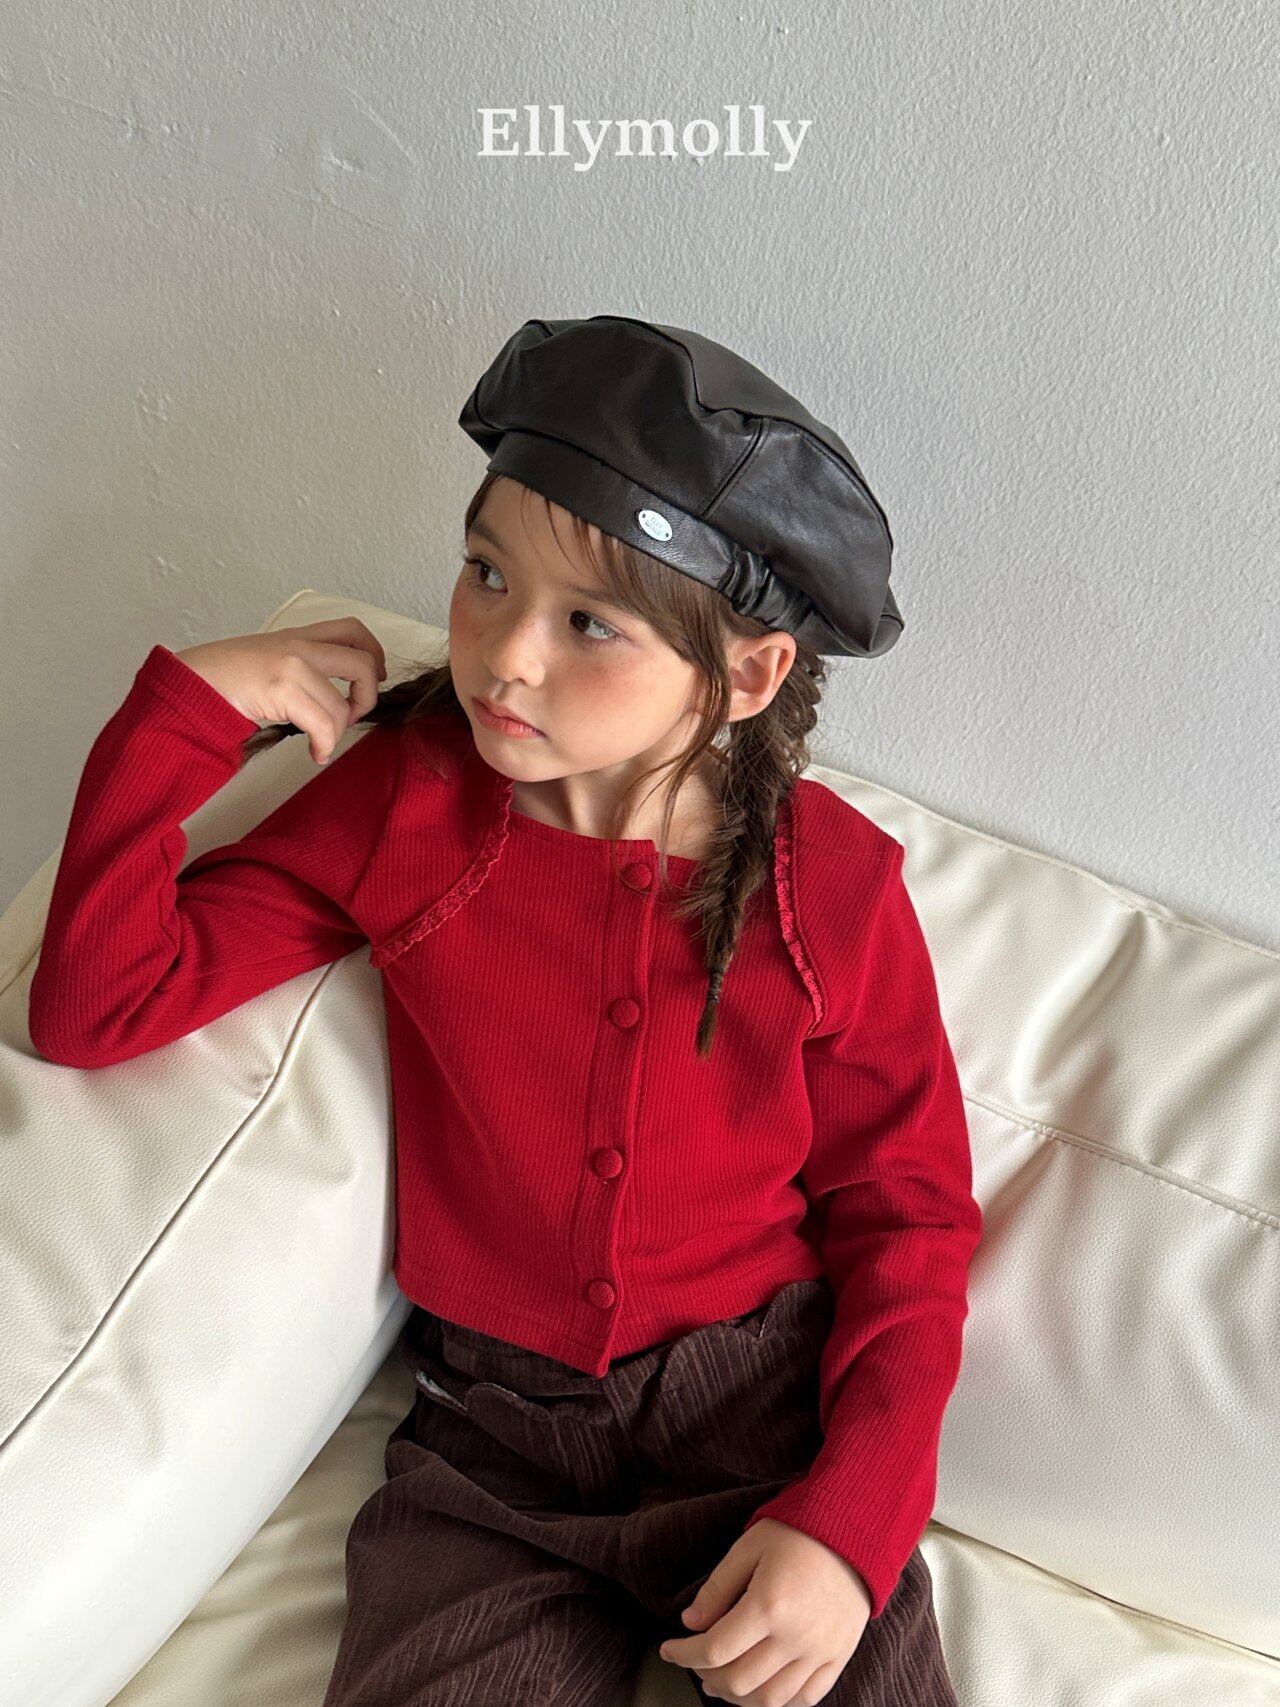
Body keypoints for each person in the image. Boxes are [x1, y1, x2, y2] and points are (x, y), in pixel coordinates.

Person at [28, 316, 982, 1706]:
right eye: (486, 573)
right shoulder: (405, 808)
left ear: (748, 675)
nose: (505, 654)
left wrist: (849, 1529)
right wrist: (186, 713)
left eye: (590, 622)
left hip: (763, 1432)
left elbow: (910, 1220)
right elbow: (99, 1005)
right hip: (492, 1454)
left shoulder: (831, 891)